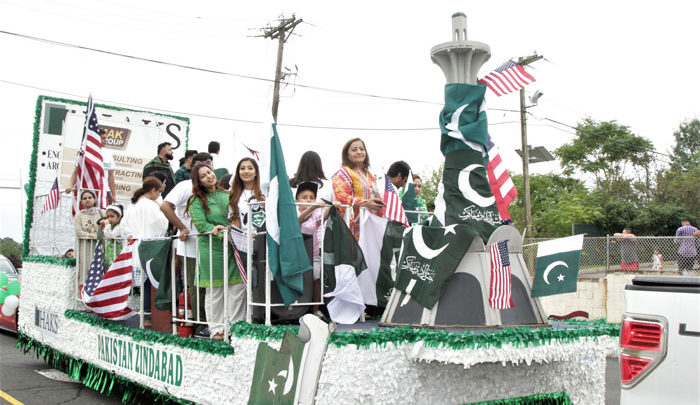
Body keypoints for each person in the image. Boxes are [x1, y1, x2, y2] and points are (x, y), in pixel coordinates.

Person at [188, 163, 245, 341]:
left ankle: (236, 328)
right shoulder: (195, 201)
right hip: (211, 249)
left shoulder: (227, 195)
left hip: (233, 247)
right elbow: (201, 224)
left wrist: (233, 233)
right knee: (215, 291)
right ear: (198, 182)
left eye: (209, 172)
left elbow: (237, 216)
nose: (209, 177)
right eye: (204, 176)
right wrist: (220, 232)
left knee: (237, 288)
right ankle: (217, 330)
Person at [160, 152, 213, 336]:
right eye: (202, 166)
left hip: (211, 245)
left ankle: (213, 323)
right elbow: (165, 206)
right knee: (196, 285)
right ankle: (200, 325)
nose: (206, 170)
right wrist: (181, 227)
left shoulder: (211, 188)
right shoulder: (184, 186)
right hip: (190, 245)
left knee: (212, 285)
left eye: (209, 165)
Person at [121, 177, 169, 328]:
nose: (159, 194)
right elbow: (161, 224)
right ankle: (149, 315)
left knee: (144, 282)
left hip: (136, 245)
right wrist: (161, 207)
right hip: (150, 245)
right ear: (153, 190)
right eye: (159, 191)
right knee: (150, 282)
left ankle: (145, 313)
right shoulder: (150, 204)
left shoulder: (133, 205)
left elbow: (125, 227)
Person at [296, 182, 339, 316]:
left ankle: (315, 310)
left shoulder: (315, 213)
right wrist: (312, 207)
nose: (308, 200)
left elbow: (323, 218)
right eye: (304, 197)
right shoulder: (293, 210)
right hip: (296, 255)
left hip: (313, 254)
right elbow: (299, 220)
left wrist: (333, 206)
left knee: (317, 276)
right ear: (296, 200)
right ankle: (295, 310)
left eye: (311, 197)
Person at [331, 138, 385, 240]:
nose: (359, 152)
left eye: (361, 149)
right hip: (352, 223)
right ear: (347, 155)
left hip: (370, 222)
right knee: (354, 254)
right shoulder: (344, 172)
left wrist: (379, 203)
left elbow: (375, 195)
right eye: (354, 150)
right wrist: (365, 203)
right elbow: (341, 196)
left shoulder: (370, 175)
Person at [66, 128, 116, 203]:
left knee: (104, 214)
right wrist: (70, 186)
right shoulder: (84, 152)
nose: (105, 140)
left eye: (106, 138)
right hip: (87, 192)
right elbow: (76, 172)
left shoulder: (108, 153)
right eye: (103, 138)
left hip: (104, 191)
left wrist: (113, 194)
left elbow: (111, 176)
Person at [229, 158, 266, 233]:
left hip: (265, 239)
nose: (246, 171)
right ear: (238, 173)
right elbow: (236, 223)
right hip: (246, 240)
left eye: (250, 168)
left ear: (256, 172)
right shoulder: (234, 195)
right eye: (242, 168)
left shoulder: (265, 192)